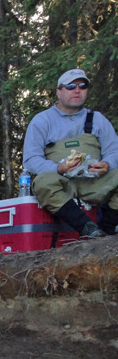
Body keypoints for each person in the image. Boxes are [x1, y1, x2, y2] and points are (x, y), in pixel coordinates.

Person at [22, 68, 118, 238]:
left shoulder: (97, 119)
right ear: (59, 92)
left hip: (95, 182)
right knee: (42, 182)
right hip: (62, 183)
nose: (77, 90)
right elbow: (31, 159)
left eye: (82, 86)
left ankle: (108, 228)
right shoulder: (42, 121)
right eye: (71, 86)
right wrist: (58, 168)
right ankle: (87, 228)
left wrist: (107, 164)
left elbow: (113, 150)